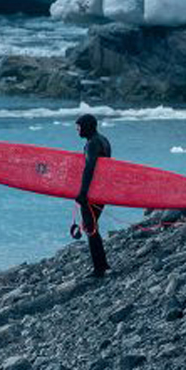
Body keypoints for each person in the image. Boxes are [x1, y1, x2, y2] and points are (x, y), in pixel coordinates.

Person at [72, 113, 111, 277]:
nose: (77, 130)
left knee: (90, 227)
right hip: (103, 190)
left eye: (79, 127)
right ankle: (102, 265)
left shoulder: (91, 144)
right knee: (92, 227)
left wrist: (83, 193)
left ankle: (99, 268)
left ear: (87, 126)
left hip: (93, 192)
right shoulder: (104, 140)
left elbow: (90, 168)